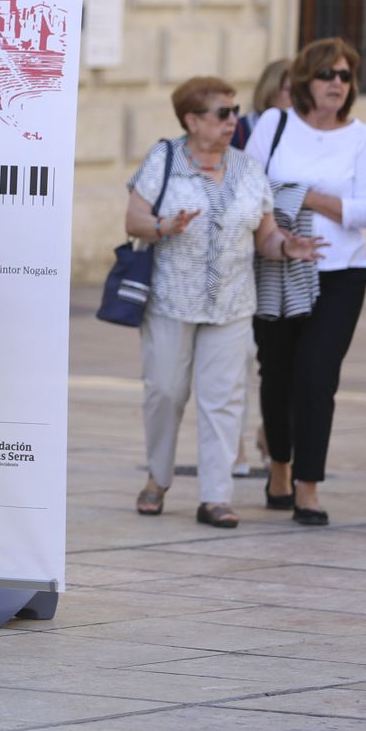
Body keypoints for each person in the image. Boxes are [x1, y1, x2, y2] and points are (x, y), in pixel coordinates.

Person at [125, 77, 324, 529]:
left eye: (234, 111)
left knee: (224, 399)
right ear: (192, 120)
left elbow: (266, 234)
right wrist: (164, 225)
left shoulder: (248, 169)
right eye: (222, 113)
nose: (232, 121)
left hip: (232, 302)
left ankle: (215, 496)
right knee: (164, 392)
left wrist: (286, 246)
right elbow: (133, 219)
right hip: (172, 299)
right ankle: (157, 478)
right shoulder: (164, 159)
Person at [243, 39, 366, 526]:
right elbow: (249, 188)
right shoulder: (275, 124)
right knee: (278, 374)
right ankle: (279, 466)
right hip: (279, 267)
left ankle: (309, 486)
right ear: (306, 81)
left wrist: (307, 197)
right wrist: (286, 225)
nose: (337, 85)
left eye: (345, 77)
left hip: (340, 273)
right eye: (327, 75)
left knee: (317, 376)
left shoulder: (362, 137)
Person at [237, 58, 293, 470]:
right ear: (272, 89)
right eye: (292, 89)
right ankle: (237, 446)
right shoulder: (242, 129)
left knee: (277, 362)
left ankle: (268, 433)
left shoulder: (308, 133)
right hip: (241, 260)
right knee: (237, 357)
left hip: (279, 258)